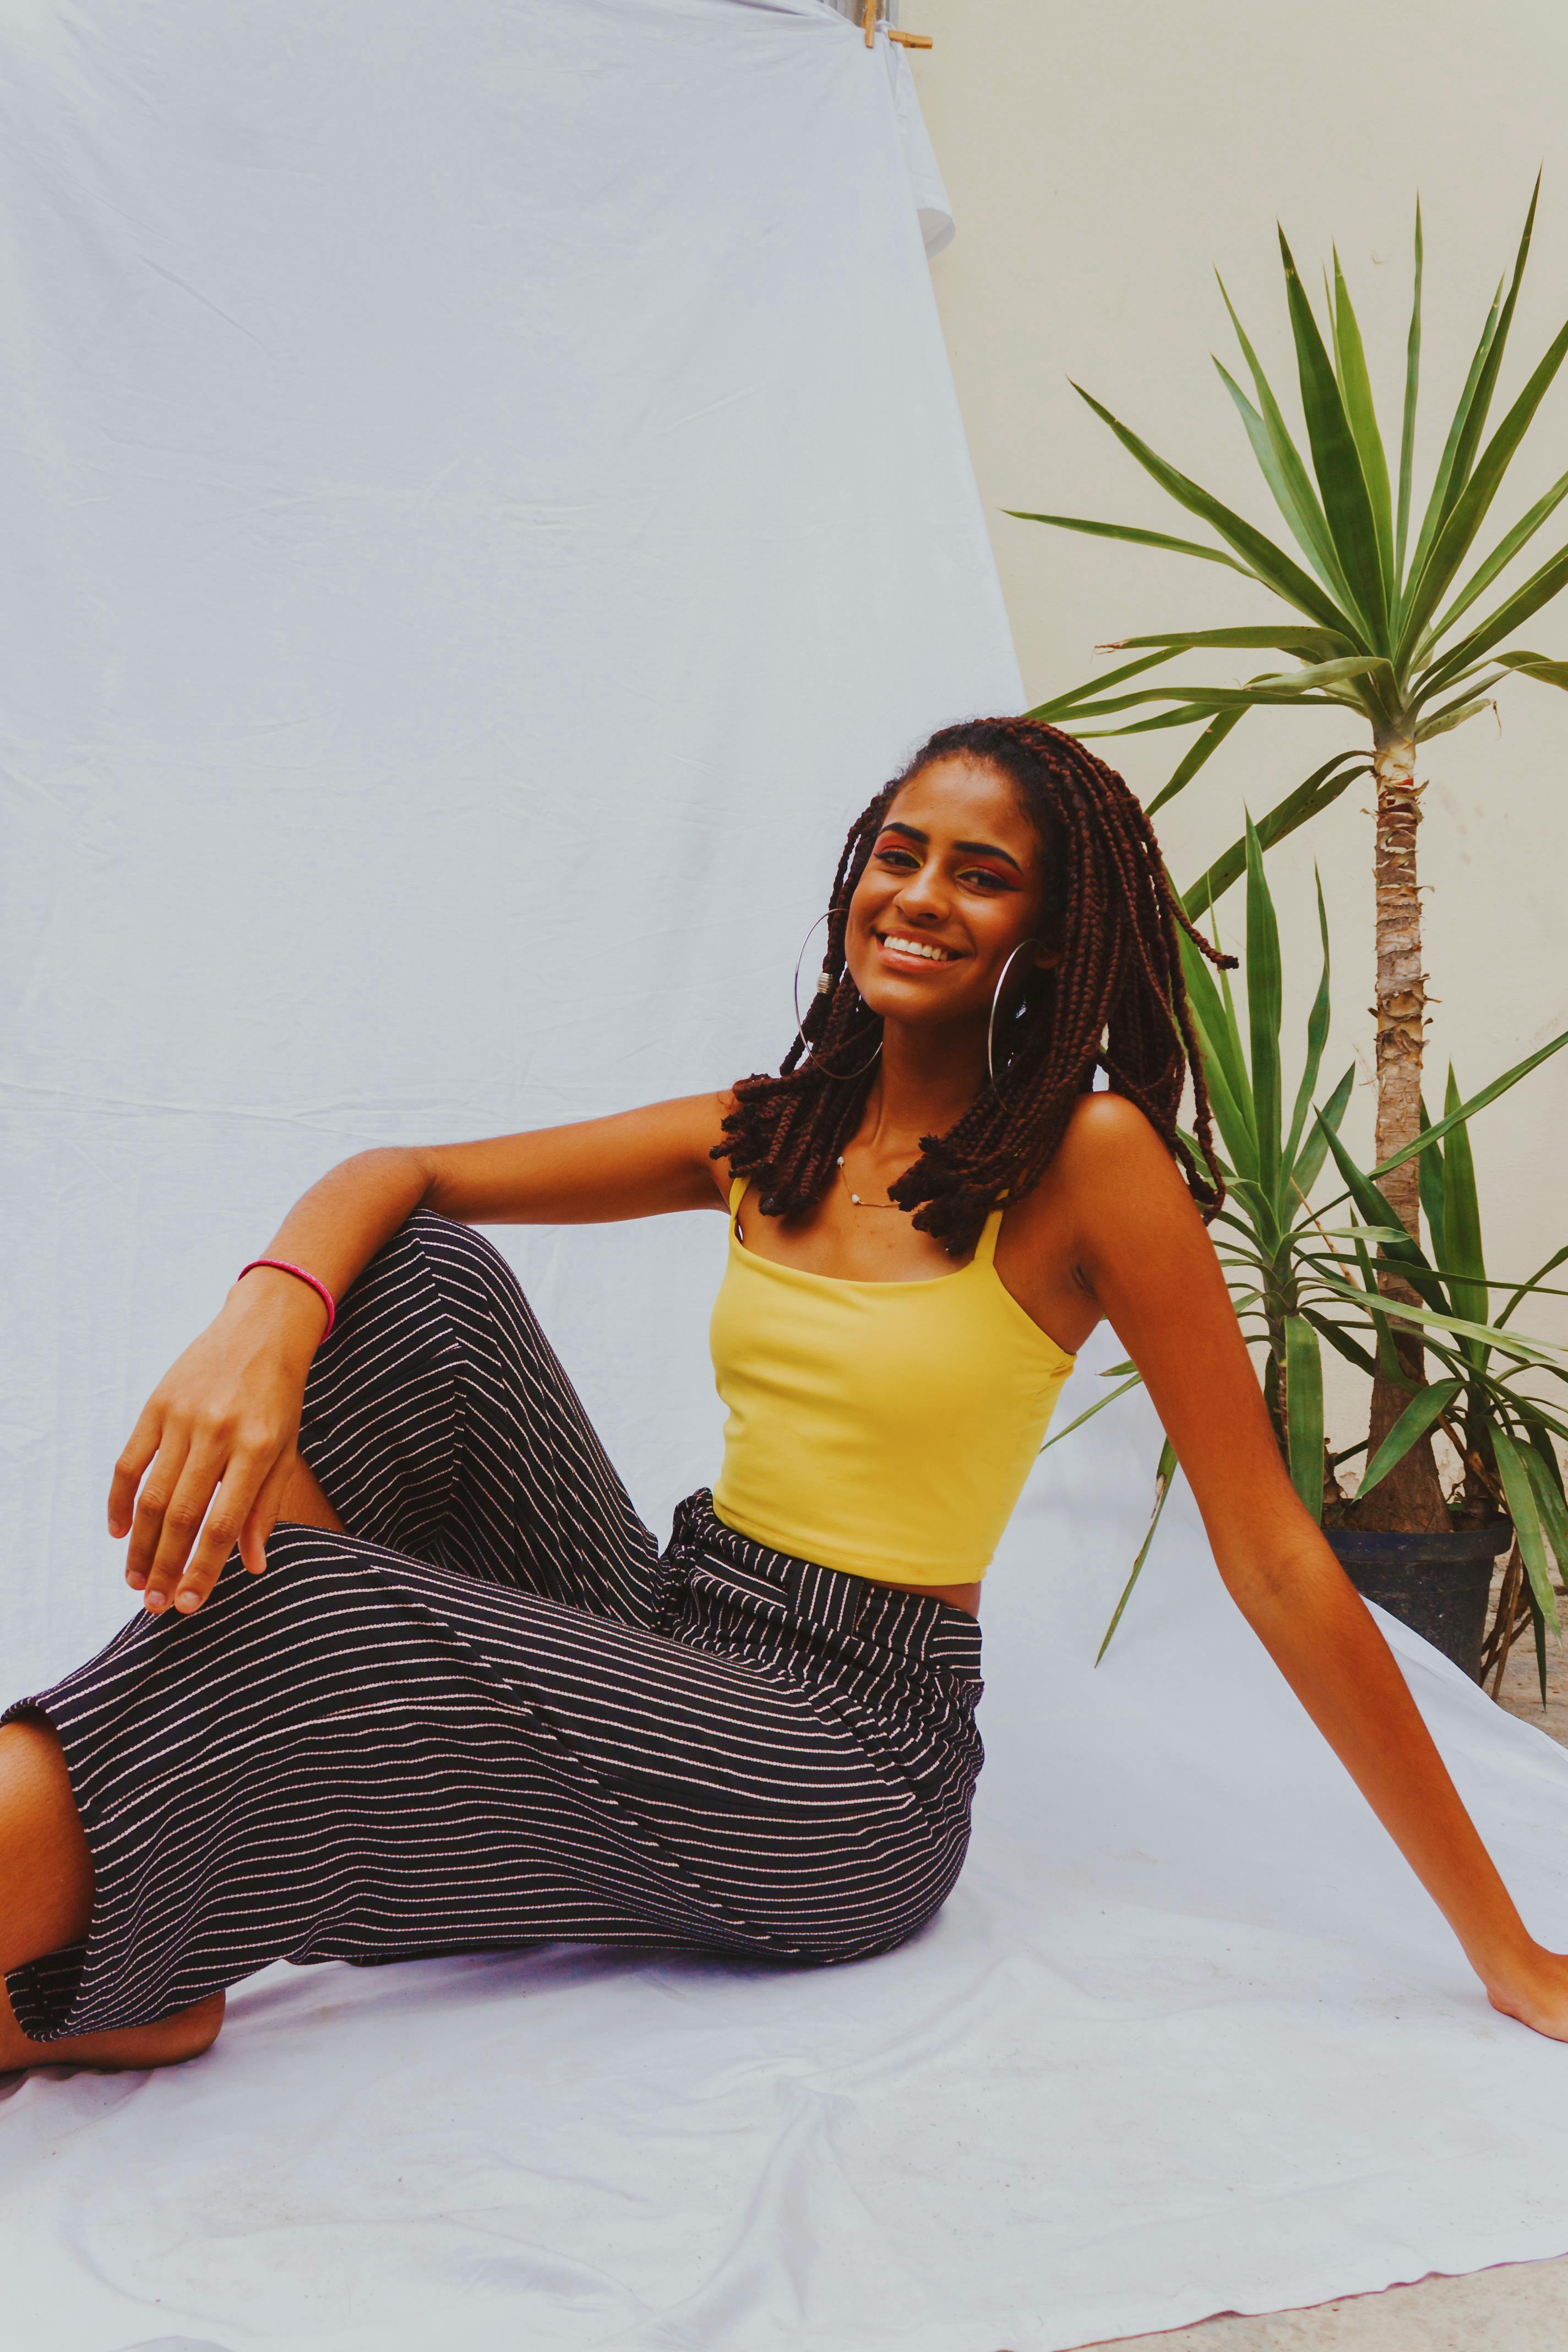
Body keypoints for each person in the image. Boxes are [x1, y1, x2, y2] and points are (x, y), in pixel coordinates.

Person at [3, 715, 1565, 2077]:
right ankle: (140, 1946)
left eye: (984, 872)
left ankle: (87, 1940)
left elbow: (1278, 1556)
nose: (924, 895)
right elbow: (402, 1175)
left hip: (846, 1765)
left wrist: (1506, 1947)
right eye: (904, 851)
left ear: (1049, 930)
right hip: (679, 1620)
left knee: (320, 1612)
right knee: (417, 1288)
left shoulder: (1089, 1167)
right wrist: (261, 1323)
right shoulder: (775, 1133)